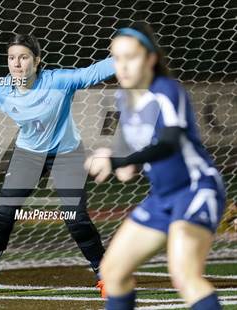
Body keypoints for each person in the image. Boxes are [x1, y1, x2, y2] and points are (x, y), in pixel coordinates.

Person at [0, 34, 115, 301]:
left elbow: (91, 73)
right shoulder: (2, 90)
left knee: (76, 218)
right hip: (29, 155)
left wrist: (127, 57)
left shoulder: (58, 81)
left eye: (23, 57)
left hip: (67, 154)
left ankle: (106, 277)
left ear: (36, 61)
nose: (16, 63)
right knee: (3, 213)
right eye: (12, 58)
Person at [85, 23, 226, 309]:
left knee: (185, 275)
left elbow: (169, 143)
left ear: (151, 59)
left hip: (196, 189)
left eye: (131, 57)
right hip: (161, 198)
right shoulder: (123, 98)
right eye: (116, 58)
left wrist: (119, 160)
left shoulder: (166, 91)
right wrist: (113, 159)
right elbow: (128, 158)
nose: (122, 66)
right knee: (113, 272)